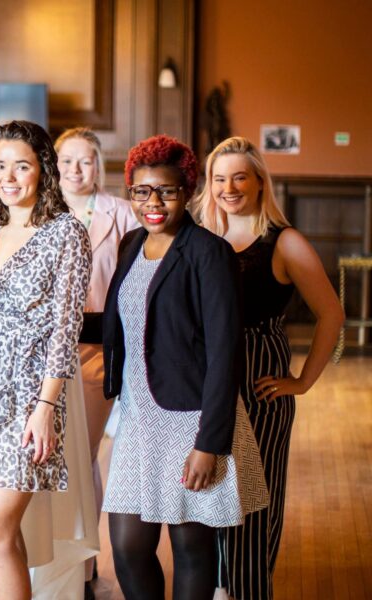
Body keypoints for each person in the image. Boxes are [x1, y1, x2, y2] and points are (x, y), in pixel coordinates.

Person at [101, 134, 268, 600]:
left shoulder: (208, 253)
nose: (153, 202)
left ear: (188, 191)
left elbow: (225, 353)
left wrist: (209, 444)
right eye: (141, 191)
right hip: (137, 419)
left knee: (191, 546)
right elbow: (129, 319)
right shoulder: (132, 243)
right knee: (128, 547)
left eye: (166, 191)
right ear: (130, 192)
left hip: (190, 421)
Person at [0, 120, 92, 600]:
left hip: (29, 394)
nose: (8, 176)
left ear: (42, 170)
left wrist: (46, 408)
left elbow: (65, 329)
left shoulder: (67, 232)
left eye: (21, 165)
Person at [194, 136, 343, 600]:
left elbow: (332, 314)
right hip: (202, 378)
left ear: (260, 182)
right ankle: (217, 589)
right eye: (220, 178)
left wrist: (303, 381)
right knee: (203, 493)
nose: (229, 187)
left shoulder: (284, 241)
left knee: (252, 502)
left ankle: (248, 592)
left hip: (258, 376)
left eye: (240, 177)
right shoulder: (200, 234)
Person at [55, 127, 138, 594]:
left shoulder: (121, 213)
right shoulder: (40, 211)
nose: (75, 170)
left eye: (85, 161)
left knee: (82, 456)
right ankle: (56, 560)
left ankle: (85, 563)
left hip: (98, 346)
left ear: (98, 165)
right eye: (67, 160)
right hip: (47, 347)